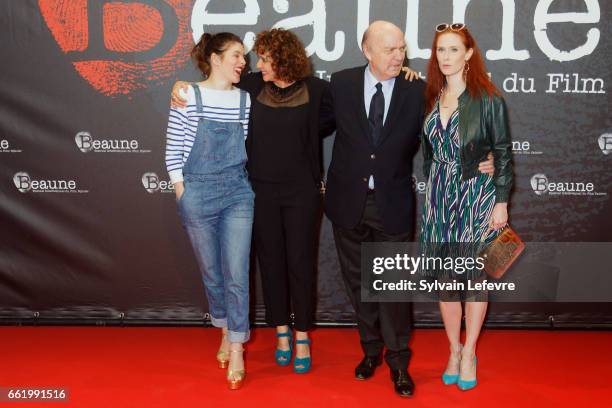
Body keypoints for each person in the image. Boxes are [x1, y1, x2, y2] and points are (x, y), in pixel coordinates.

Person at [325, 21, 495, 398]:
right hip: (347, 203)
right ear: (367, 50)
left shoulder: (418, 90)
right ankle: (371, 352)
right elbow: (304, 118)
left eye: (401, 48)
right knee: (360, 286)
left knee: (393, 289)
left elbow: (451, 131)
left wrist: (489, 160)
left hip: (392, 205)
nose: (398, 56)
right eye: (389, 49)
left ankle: (399, 362)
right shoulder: (339, 84)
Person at [171, 28, 335, 374]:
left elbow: (342, 117)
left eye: (263, 58)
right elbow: (212, 86)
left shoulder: (319, 91)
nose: (255, 64)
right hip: (258, 190)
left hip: (302, 192)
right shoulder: (251, 88)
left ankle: (302, 335)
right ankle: (281, 334)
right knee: (271, 263)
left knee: (301, 263)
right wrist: (180, 87)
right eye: (253, 57)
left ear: (282, 57)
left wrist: (406, 78)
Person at [419, 23, 513, 391]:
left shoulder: (488, 99)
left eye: (453, 50)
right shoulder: (430, 96)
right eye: (440, 50)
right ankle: (453, 350)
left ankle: (470, 351)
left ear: (469, 54)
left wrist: (501, 201)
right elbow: (429, 153)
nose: (445, 57)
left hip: (477, 196)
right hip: (439, 198)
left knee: (475, 278)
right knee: (445, 282)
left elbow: (502, 152)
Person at [164, 32, 254, 390]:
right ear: (215, 58)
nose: (242, 62)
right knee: (213, 274)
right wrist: (182, 191)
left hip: (237, 193)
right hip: (197, 191)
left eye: (243, 57)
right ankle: (224, 328)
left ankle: (237, 347)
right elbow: (173, 150)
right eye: (235, 55)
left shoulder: (246, 100)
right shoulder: (187, 94)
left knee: (237, 274)